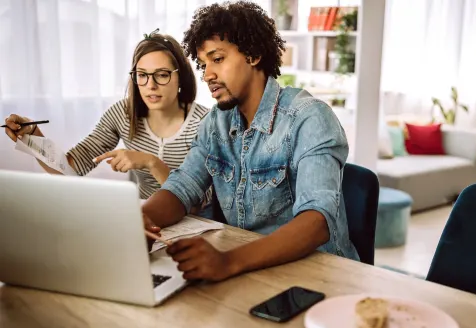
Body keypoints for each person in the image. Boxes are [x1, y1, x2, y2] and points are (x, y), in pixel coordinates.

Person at [142, 1, 359, 282]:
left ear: (254, 54)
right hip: (252, 270)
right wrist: (141, 219)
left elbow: (317, 221)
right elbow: (183, 186)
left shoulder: (309, 118)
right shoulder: (215, 123)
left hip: (320, 277)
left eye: (217, 59)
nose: (207, 74)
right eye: (203, 64)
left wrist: (228, 262)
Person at [4, 29, 212, 206]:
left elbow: (199, 204)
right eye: (142, 74)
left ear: (181, 76)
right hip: (148, 221)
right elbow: (69, 169)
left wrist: (152, 163)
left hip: (198, 224)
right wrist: (33, 136)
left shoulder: (205, 123)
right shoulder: (122, 114)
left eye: (162, 74)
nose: (151, 85)